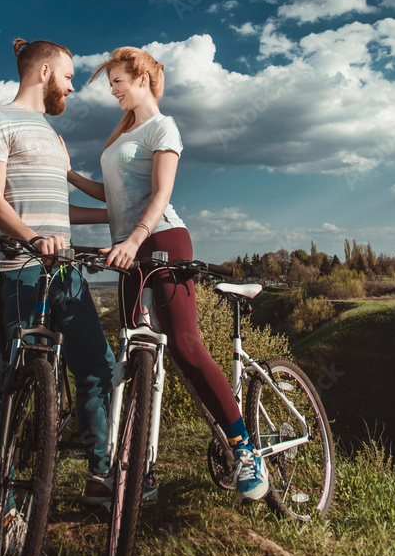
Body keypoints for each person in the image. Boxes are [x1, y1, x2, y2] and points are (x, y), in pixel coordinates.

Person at [67, 46, 269, 503]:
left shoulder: (163, 127)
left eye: (117, 81)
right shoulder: (122, 133)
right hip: (130, 249)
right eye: (111, 83)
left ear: (141, 79)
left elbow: (159, 196)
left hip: (162, 241)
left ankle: (245, 449)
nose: (113, 90)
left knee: (184, 345)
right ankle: (141, 467)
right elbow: (116, 196)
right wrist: (70, 176)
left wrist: (134, 240)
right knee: (136, 356)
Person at [0, 37, 116, 512]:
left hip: (65, 272)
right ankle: (5, 505)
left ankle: (99, 475)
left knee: (98, 367)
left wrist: (121, 219)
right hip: (17, 273)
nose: (72, 88)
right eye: (70, 77)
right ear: (46, 72)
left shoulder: (55, 138)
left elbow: (61, 210)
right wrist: (34, 239)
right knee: (10, 383)